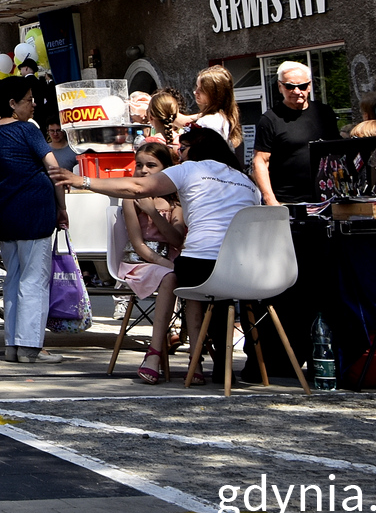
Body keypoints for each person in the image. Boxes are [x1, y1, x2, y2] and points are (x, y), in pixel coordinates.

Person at [57, 127, 261, 383]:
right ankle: (223, 364)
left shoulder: (191, 169)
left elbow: (136, 187)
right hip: (247, 272)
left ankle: (190, 360)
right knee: (211, 290)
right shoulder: (247, 182)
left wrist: (83, 181)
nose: (180, 154)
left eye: (183, 149)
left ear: (196, 150)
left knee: (194, 284)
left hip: (199, 267)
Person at [0, 84, 69, 366]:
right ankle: (30, 346)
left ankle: (12, 344)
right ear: (12, 103)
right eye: (28, 100)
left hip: (5, 213)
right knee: (34, 279)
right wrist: (62, 207)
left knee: (13, 278)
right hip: (35, 210)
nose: (33, 105)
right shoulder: (28, 129)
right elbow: (52, 166)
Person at [115, 141, 186, 384]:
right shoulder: (131, 199)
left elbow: (177, 238)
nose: (143, 170)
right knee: (172, 277)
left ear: (166, 170)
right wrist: (167, 265)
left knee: (192, 275)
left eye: (151, 165)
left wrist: (155, 213)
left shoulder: (176, 201)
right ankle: (154, 353)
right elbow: (139, 245)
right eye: (139, 165)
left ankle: (195, 355)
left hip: (172, 259)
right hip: (140, 262)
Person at [250, 62, 338, 206]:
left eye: (302, 86)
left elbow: (336, 151)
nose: (296, 91)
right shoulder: (270, 119)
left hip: (326, 197)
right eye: (289, 86)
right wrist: (270, 199)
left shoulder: (324, 113)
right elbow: (260, 161)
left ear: (309, 86)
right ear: (280, 87)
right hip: (288, 201)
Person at [190, 67, 241, 152]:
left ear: (215, 94)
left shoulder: (208, 122)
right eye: (196, 87)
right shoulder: (223, 118)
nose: (196, 92)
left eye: (202, 89)